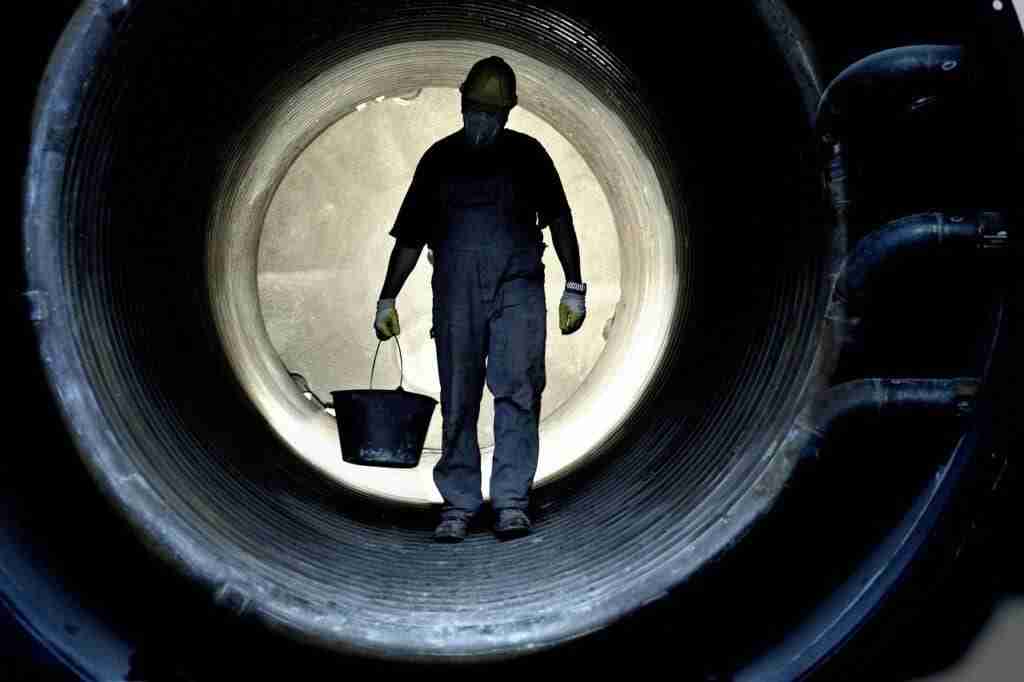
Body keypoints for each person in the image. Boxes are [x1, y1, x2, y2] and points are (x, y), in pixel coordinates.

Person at [374, 56, 587, 542]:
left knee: (517, 390)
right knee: (459, 395)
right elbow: (410, 237)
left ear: (509, 111)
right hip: (455, 293)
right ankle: (459, 504)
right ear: (462, 101)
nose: (482, 118)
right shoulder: (439, 159)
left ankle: (511, 501)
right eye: (476, 107)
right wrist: (387, 297)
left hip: (518, 288)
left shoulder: (529, 156)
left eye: (492, 110)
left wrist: (575, 285)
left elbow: (559, 221)